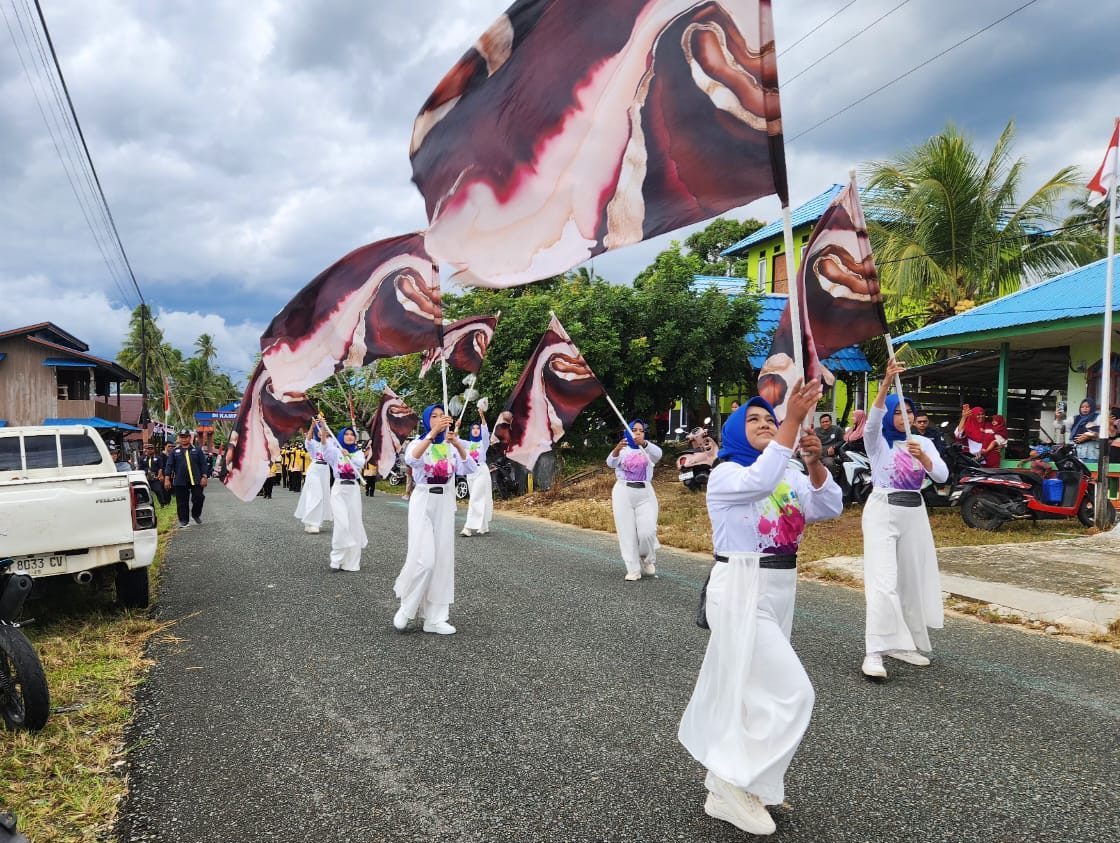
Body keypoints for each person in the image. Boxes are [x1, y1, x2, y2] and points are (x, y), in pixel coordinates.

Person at [678, 381, 842, 837]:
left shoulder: (786, 471)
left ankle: (742, 781)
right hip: (741, 584)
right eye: (755, 420)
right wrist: (791, 421)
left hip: (781, 583)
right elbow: (760, 481)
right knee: (794, 694)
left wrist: (813, 464)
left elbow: (828, 507)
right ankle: (734, 787)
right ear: (733, 432)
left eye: (772, 419)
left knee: (756, 690)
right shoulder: (727, 474)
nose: (767, 424)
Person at [860, 360, 949, 680]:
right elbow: (872, 422)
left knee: (910, 582)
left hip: (915, 512)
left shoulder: (922, 443)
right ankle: (874, 651)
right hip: (882, 510)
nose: (905, 417)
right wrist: (885, 382)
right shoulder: (878, 441)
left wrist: (923, 456)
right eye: (899, 412)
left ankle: (904, 643)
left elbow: (941, 475)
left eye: (909, 412)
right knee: (883, 582)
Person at [392, 404, 478, 635]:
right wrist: (432, 435)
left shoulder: (450, 446)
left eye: (443, 416)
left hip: (444, 502)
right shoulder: (419, 443)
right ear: (427, 420)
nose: (440, 419)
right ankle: (407, 608)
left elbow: (470, 466)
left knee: (442, 561)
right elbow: (411, 459)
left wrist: (457, 443)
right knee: (425, 560)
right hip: (423, 500)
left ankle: (436, 618)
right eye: (435, 416)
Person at [607, 419, 663, 581]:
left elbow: (658, 455)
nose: (638, 432)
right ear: (627, 432)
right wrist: (616, 450)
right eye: (634, 430)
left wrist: (644, 444)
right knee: (627, 532)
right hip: (623, 491)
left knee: (648, 530)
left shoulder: (647, 449)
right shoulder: (622, 449)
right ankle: (633, 569)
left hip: (645, 492)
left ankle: (647, 557)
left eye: (641, 430)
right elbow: (610, 463)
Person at [315, 418, 367, 572]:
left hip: (353, 490)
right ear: (341, 436)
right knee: (341, 523)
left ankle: (351, 562)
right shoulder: (334, 452)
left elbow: (360, 464)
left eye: (352, 435)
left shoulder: (359, 453)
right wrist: (323, 427)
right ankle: (336, 559)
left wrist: (349, 456)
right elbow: (324, 445)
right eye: (347, 434)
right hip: (338, 489)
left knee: (354, 524)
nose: (350, 436)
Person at [294, 422, 333, 534]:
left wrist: (324, 425)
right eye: (320, 430)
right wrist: (312, 426)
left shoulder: (329, 443)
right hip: (315, 469)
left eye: (323, 430)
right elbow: (308, 440)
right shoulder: (313, 443)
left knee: (323, 496)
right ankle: (314, 523)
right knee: (316, 495)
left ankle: (310, 522)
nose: (322, 432)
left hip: (325, 471)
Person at [165, 429, 208, 528]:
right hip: (180, 480)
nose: (183, 439)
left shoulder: (197, 450)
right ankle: (184, 520)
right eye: (182, 437)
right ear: (179, 438)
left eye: (186, 437)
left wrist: (204, 476)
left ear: (190, 438)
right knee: (182, 502)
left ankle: (195, 514)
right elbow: (169, 465)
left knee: (199, 497)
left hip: (196, 479)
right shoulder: (174, 451)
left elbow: (203, 464)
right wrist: (167, 478)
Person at [461, 408, 493, 537]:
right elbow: (454, 440)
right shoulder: (467, 444)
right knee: (479, 497)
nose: (476, 430)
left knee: (475, 498)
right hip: (470, 473)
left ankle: (468, 527)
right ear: (470, 431)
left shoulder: (483, 443)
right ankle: (484, 526)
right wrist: (455, 426)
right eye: (473, 428)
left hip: (481, 471)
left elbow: (485, 431)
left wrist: (482, 416)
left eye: (477, 428)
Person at [814, 413, 844, 480]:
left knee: (830, 464)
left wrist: (834, 447)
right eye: (823, 422)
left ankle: (833, 481)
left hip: (828, 455)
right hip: (817, 454)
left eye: (826, 421)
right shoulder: (816, 430)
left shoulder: (837, 430)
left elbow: (842, 441)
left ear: (830, 421)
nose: (825, 423)